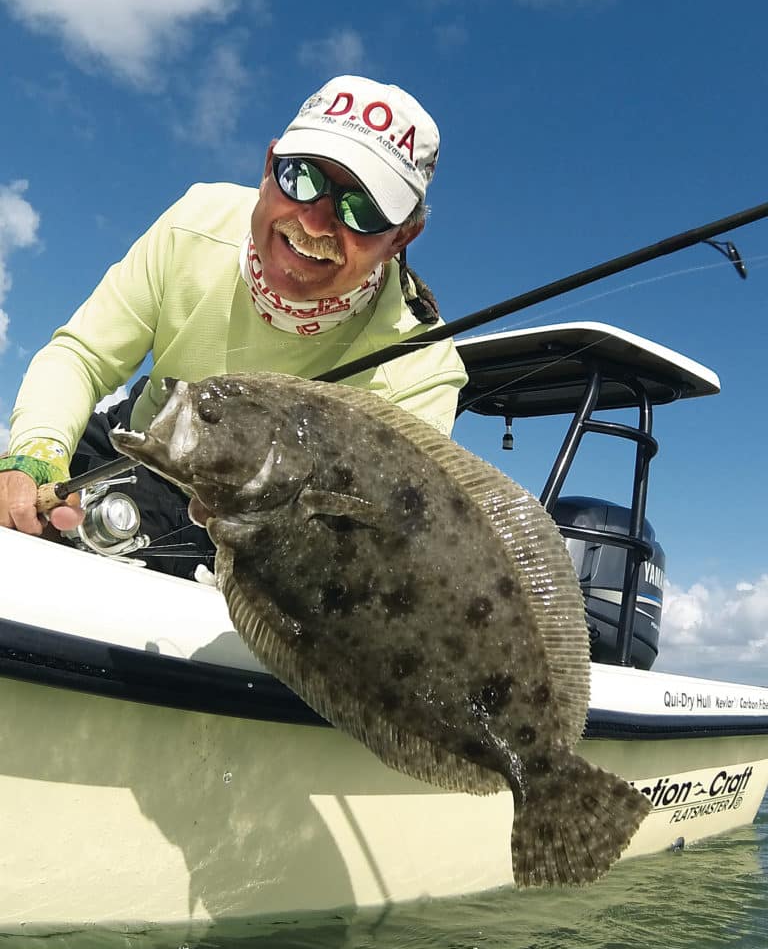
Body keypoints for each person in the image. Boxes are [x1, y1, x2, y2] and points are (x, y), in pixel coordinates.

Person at [0, 75, 468, 578]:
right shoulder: (197, 221)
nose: (314, 224)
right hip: (134, 439)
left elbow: (376, 545)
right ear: (269, 167)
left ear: (403, 236)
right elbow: (83, 357)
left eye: (361, 210)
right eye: (302, 179)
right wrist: (34, 456)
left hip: (242, 541)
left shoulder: (425, 369)